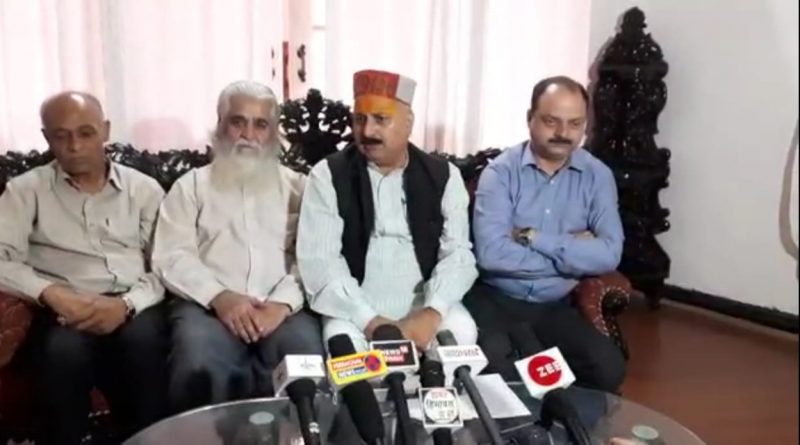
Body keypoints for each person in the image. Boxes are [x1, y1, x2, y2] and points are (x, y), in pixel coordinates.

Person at [0, 92, 167, 444]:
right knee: (61, 353)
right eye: (61, 136)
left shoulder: (144, 191)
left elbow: (168, 263)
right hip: (63, 309)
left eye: (86, 133)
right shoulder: (25, 191)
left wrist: (126, 305)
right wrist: (52, 293)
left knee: (144, 346)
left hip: (134, 304)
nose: (74, 146)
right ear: (46, 138)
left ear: (105, 130)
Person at [153, 80, 324, 414]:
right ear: (220, 125)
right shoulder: (191, 186)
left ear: (274, 133)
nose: (248, 134)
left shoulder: (301, 189)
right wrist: (220, 297)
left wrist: (282, 304)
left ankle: (302, 436)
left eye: (260, 124)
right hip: (208, 308)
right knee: (198, 358)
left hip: (284, 309)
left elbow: (315, 255)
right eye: (238, 122)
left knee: (304, 353)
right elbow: (171, 254)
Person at [297, 69, 478, 352]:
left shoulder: (444, 176)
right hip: (353, 309)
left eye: (381, 119)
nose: (367, 132)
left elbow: (458, 254)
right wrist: (370, 322)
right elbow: (320, 261)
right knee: (345, 350)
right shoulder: (328, 175)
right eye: (360, 119)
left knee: (461, 335)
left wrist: (431, 313)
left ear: (408, 123)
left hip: (426, 305)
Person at [465, 76, 626, 392]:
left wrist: (534, 238)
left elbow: (609, 254)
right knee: (501, 374)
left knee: (608, 369)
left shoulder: (597, 176)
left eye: (575, 123)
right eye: (551, 121)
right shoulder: (500, 172)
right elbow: (492, 255)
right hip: (496, 297)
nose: (563, 133)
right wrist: (574, 254)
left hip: (555, 303)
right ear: (530, 119)